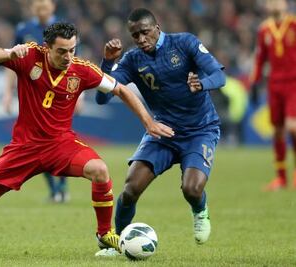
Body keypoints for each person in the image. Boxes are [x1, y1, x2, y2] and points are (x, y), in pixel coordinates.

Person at [0, 22, 174, 257]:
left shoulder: (82, 70)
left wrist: (148, 122)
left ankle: (105, 233)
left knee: (100, 170)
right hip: (23, 149)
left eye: (73, 50)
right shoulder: (29, 56)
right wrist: (10, 52)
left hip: (61, 146)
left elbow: (121, 90)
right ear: (47, 48)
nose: (69, 56)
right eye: (62, 51)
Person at [94, 8, 225, 256]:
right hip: (162, 130)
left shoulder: (185, 43)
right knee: (131, 189)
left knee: (192, 189)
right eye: (135, 35)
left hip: (200, 130)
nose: (141, 39)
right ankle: (119, 243)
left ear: (156, 27)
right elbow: (102, 98)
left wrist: (202, 84)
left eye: (144, 32)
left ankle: (200, 210)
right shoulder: (133, 60)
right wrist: (108, 63)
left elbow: (219, 75)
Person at [4, 0, 69, 202]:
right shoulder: (24, 29)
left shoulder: (63, 28)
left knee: (60, 140)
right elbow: (12, 60)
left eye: (45, 7)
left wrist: (80, 93)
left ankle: (62, 187)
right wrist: (7, 92)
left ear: (53, 8)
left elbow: (75, 60)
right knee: (38, 142)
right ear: (32, 9)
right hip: (34, 92)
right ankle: (55, 190)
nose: (42, 11)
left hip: (59, 91)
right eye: (38, 7)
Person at [250, 0, 296, 191]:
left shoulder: (293, 24)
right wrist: (254, 82)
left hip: (294, 83)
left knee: (292, 127)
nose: (274, 4)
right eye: (271, 1)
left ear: (285, 4)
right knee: (277, 131)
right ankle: (281, 177)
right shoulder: (264, 30)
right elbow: (261, 59)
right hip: (274, 84)